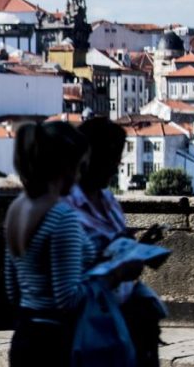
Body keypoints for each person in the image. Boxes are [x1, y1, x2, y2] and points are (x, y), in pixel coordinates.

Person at [4, 121, 142, 367]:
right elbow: (67, 300)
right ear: (66, 166)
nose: (80, 175)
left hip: (25, 334)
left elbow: (13, 289)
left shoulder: (17, 208)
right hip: (58, 342)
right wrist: (116, 273)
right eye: (80, 166)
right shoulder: (61, 217)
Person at [71, 117, 164, 367]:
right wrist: (117, 272)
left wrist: (138, 246)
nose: (116, 167)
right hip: (86, 326)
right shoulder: (64, 208)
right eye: (111, 159)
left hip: (121, 318)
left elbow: (113, 245)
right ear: (89, 157)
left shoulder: (109, 200)